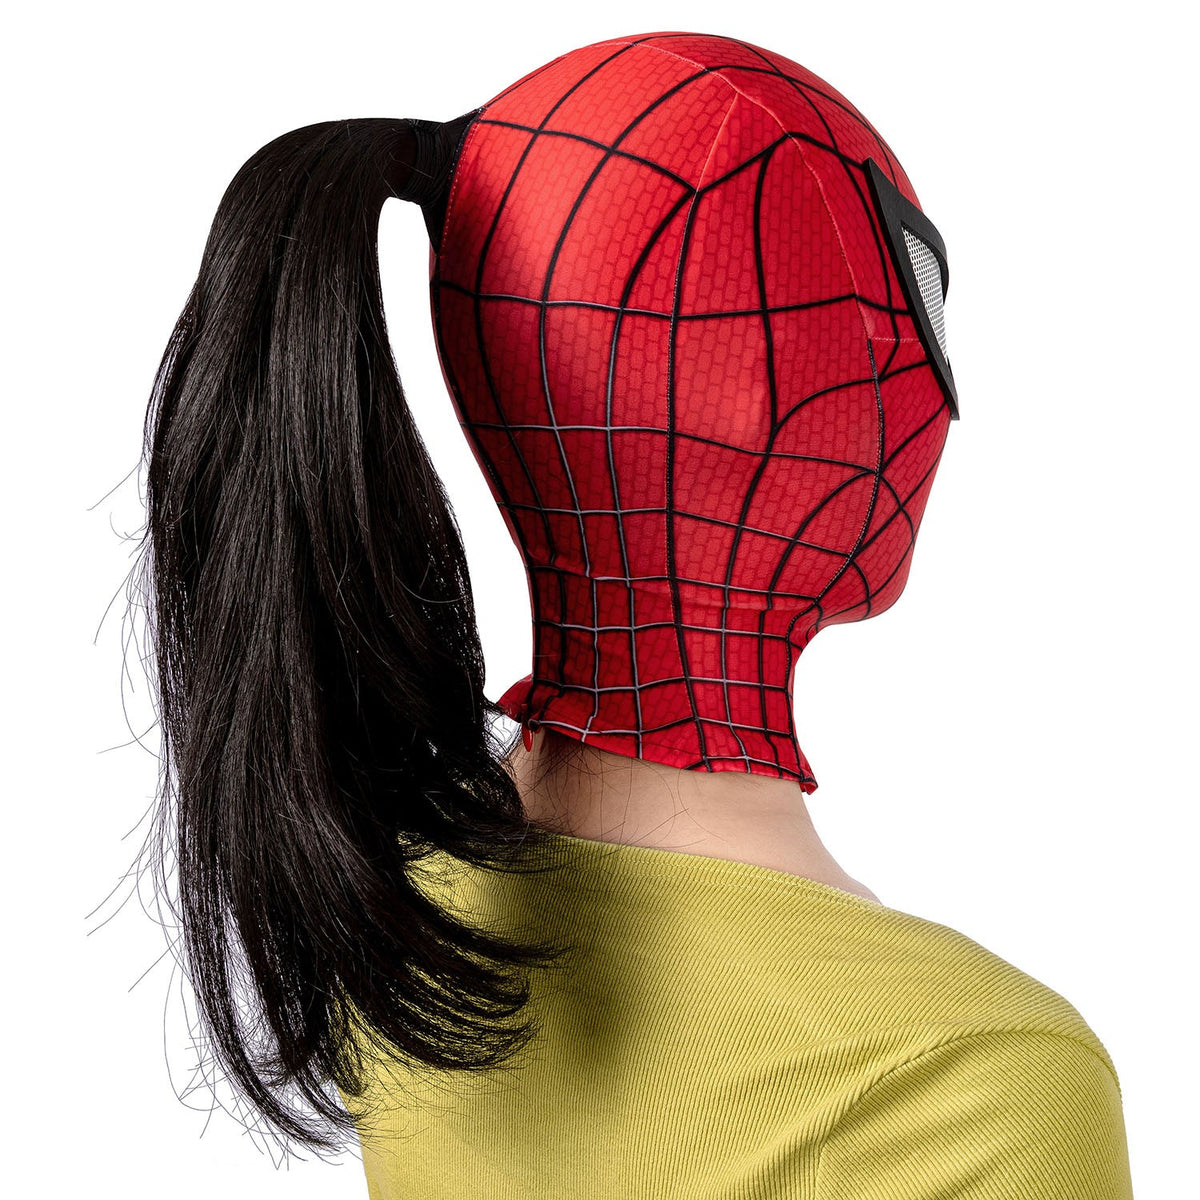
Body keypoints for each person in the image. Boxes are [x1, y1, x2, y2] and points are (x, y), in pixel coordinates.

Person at [133, 29, 1134, 1198]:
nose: (933, 395)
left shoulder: (411, 922)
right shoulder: (975, 1080)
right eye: (909, 299)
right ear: (780, 389)